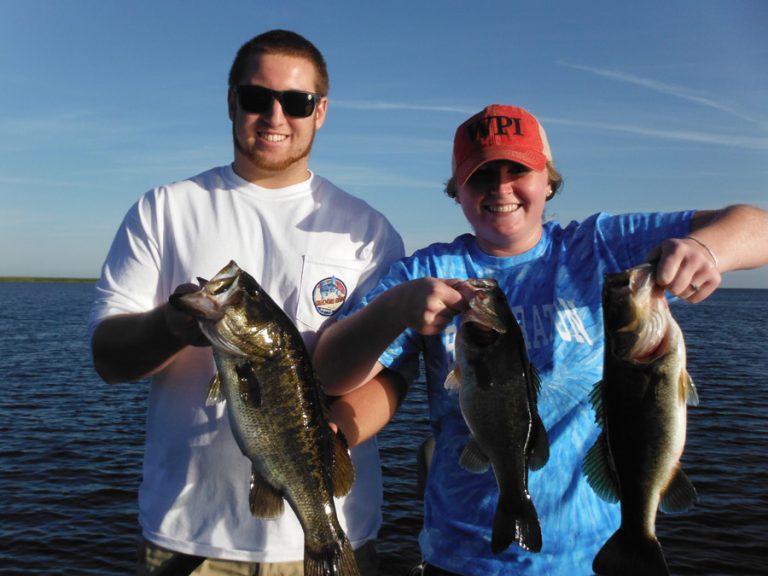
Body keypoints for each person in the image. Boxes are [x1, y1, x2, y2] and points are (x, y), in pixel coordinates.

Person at [312, 103, 768, 575]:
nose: (500, 187)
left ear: (548, 181)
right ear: (457, 191)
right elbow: (328, 374)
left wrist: (704, 248)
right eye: (481, 175)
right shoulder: (425, 272)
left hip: (592, 558)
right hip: (462, 555)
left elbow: (759, 227)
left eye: (518, 170)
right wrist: (391, 309)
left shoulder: (600, 246)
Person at [89, 30, 406, 575]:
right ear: (232, 101)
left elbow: (396, 372)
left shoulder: (369, 232)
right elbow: (108, 359)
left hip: (337, 533)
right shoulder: (164, 210)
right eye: (258, 97)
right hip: (190, 539)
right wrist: (171, 326)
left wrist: (337, 434)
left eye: (297, 101)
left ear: (321, 111)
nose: (275, 115)